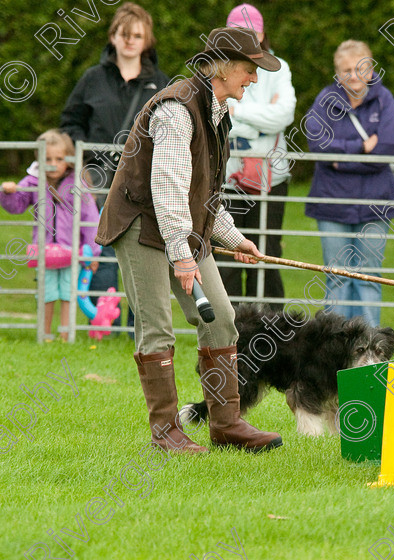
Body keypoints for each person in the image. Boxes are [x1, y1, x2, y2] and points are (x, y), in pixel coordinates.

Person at [95, 27, 284, 453]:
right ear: (223, 67)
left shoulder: (218, 111)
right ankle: (165, 433)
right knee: (156, 326)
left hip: (181, 227)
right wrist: (183, 258)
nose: (254, 79)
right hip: (141, 225)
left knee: (220, 315)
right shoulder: (176, 110)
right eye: (249, 69)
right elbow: (167, 192)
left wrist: (235, 240)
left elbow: (204, 194)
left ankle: (226, 423)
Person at [60, 2, 169, 336]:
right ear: (113, 37)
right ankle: (104, 328)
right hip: (99, 181)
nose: (130, 41)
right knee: (103, 254)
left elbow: (169, 131)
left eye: (137, 35)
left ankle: (141, 327)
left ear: (147, 39)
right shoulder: (93, 78)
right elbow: (70, 123)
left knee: (142, 254)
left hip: (143, 183)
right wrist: (85, 163)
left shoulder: (161, 83)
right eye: (124, 34)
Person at [304, 40, 394, 327]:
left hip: (375, 206)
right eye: (345, 70)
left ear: (370, 69)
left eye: (359, 68)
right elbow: (318, 145)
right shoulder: (325, 100)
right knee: (337, 276)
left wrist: (340, 159)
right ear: (337, 73)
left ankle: (370, 346)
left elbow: (387, 148)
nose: (353, 75)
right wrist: (361, 147)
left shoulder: (384, 99)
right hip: (332, 204)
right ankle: (335, 345)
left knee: (368, 278)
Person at [219, 4, 296, 307]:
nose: (246, 38)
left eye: (252, 32)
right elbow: (219, 117)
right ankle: (228, 327)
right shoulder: (220, 67)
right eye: (238, 32)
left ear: (263, 34)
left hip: (271, 179)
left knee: (265, 250)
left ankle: (270, 325)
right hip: (226, 178)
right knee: (225, 251)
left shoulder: (279, 68)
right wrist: (259, 122)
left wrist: (237, 112)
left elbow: (283, 115)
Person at [1, 130, 101, 341]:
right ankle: (45, 334)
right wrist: (8, 192)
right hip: (43, 249)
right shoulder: (33, 181)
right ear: (38, 158)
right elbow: (16, 206)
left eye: (59, 159)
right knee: (46, 293)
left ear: (69, 159)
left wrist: (93, 251)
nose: (53, 164)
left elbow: (91, 219)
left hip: (71, 251)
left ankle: (65, 335)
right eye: (47, 159)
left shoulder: (77, 184)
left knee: (67, 293)